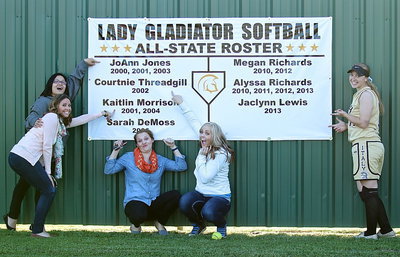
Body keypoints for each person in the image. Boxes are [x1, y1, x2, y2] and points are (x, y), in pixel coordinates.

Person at [3, 58, 99, 231]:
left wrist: (84, 64)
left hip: (49, 152)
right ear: (50, 85)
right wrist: (36, 121)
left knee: (32, 185)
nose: (60, 83)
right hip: (35, 153)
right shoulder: (44, 102)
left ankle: (20, 220)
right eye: (56, 81)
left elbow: (74, 81)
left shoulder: (65, 104)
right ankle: (27, 222)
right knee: (40, 185)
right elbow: (31, 118)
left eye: (63, 82)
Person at [7, 94, 113, 237]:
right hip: (22, 157)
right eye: (64, 105)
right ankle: (37, 230)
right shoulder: (52, 118)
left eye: (69, 105)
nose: (68, 107)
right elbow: (46, 145)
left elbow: (80, 120)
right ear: (56, 106)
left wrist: (101, 113)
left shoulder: (60, 123)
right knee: (49, 189)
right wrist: (48, 173)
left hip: (23, 158)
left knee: (47, 188)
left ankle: (35, 227)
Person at [330, 63, 396, 240]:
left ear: (365, 78)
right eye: (351, 75)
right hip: (363, 144)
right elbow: (361, 122)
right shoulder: (361, 94)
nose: (353, 78)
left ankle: (370, 233)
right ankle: (386, 230)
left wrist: (345, 115)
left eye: (357, 75)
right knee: (364, 190)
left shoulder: (366, 94)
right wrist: (347, 125)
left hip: (366, 145)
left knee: (368, 190)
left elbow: (365, 122)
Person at [171, 92, 234, 239]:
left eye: (207, 133)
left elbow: (205, 178)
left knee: (209, 212)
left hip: (220, 197)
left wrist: (200, 157)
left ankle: (221, 226)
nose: (202, 136)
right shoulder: (206, 145)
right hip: (201, 193)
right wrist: (181, 103)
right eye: (201, 133)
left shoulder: (221, 154)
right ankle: (199, 225)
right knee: (184, 202)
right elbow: (193, 120)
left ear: (215, 136)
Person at [104, 129, 187, 235]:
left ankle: (159, 222)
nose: (144, 142)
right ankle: (136, 225)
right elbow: (109, 170)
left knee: (175, 195)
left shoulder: (160, 160)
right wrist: (116, 150)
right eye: (140, 141)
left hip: (153, 202)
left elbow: (181, 166)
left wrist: (173, 147)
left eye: (146, 139)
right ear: (137, 144)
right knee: (138, 214)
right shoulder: (129, 158)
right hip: (135, 201)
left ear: (152, 140)